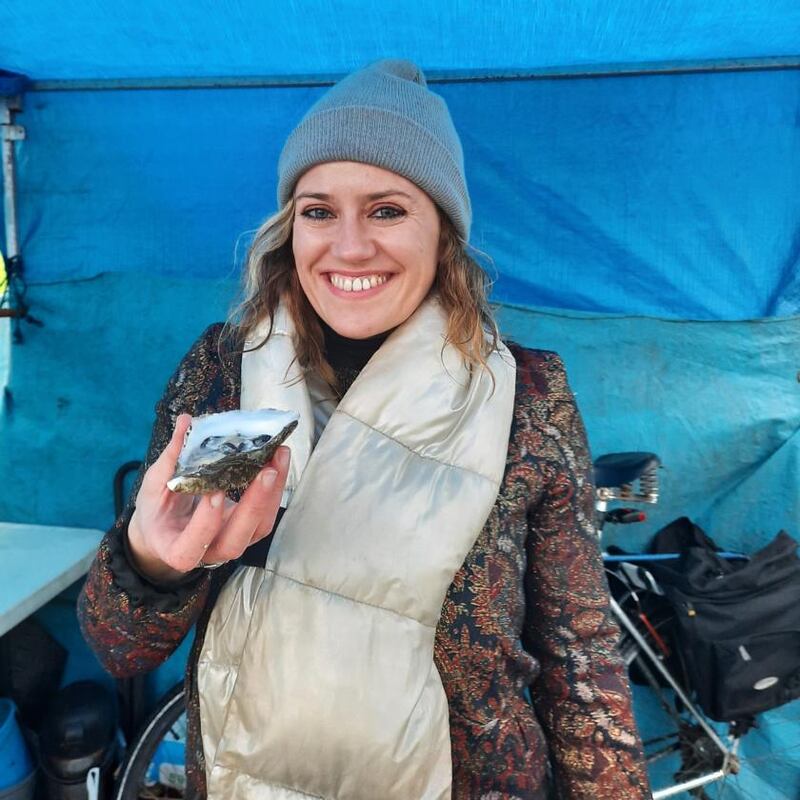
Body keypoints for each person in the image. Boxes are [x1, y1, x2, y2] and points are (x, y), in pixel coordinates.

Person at [79, 60, 650, 800]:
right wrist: (151, 560)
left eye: (386, 210)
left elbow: (580, 656)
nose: (348, 248)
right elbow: (121, 647)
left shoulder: (524, 396)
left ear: (442, 230)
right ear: (290, 228)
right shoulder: (229, 376)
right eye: (319, 211)